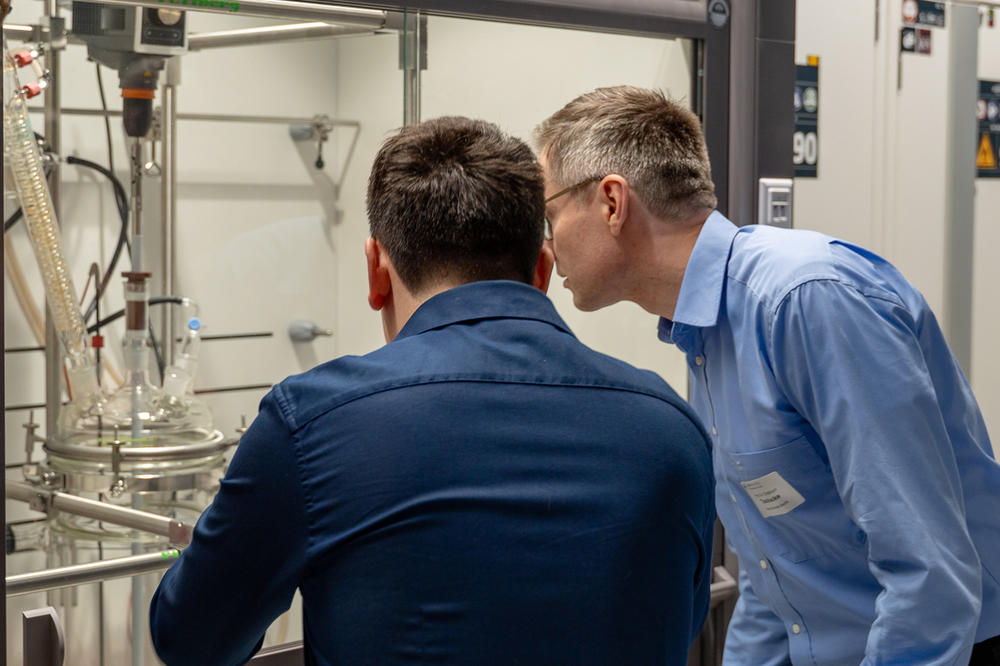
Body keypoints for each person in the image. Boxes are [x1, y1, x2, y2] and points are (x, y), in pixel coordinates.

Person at [149, 115, 715, 666]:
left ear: (376, 271)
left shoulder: (310, 424)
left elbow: (191, 642)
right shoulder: (672, 428)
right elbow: (677, 623)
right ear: (542, 271)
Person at [534, 85, 1000, 666]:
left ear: (611, 202)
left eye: (550, 215)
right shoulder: (702, 332)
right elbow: (773, 578)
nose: (547, 248)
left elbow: (931, 575)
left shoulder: (807, 300)